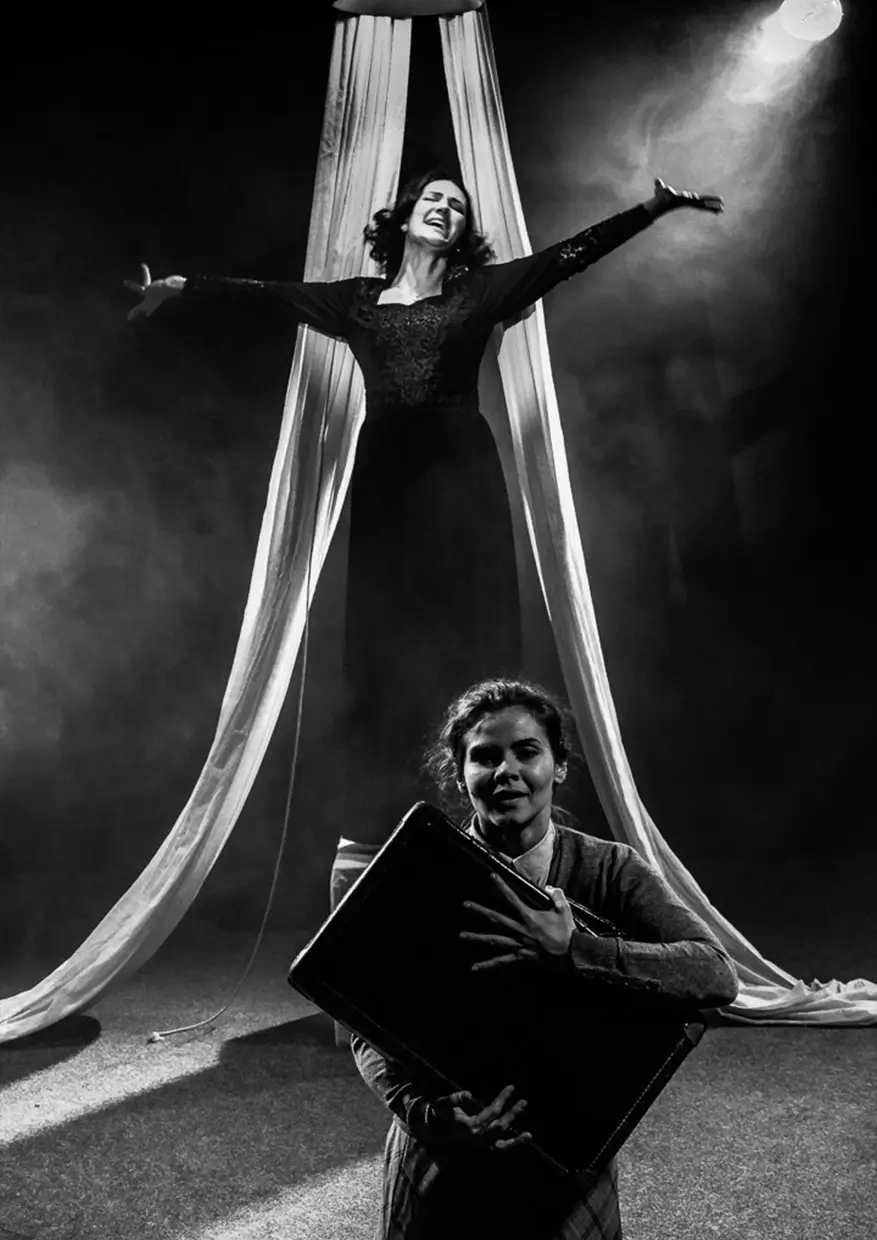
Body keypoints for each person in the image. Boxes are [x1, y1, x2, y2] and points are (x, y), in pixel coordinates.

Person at [125, 171, 723, 846]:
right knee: (385, 636)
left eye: (457, 207)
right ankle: (385, 814)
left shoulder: (482, 292)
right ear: (405, 219)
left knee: (473, 630)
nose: (445, 209)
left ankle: (487, 814)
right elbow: (268, 297)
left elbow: (567, 257)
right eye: (433, 200)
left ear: (463, 232)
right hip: (388, 475)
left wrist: (651, 209)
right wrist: (182, 288)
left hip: (461, 473)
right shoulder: (356, 301)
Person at [349, 677, 739, 1240]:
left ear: (558, 767)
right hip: (443, 1146)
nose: (505, 771)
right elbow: (361, 1014)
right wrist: (421, 1111)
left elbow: (715, 972)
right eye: (485, 757)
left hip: (568, 1149)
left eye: (526, 752)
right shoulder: (421, 870)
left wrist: (576, 950)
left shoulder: (610, 869)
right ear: (460, 775)